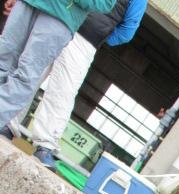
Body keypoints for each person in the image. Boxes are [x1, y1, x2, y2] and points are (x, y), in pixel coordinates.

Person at [13, 0, 147, 172]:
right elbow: (128, 31)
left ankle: (26, 133)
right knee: (50, 85)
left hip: (71, 28)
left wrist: (100, 35)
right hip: (74, 30)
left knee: (35, 76)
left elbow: (127, 31)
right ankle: (39, 144)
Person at [0, 0, 116, 134]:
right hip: (28, 3)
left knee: (25, 75)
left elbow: (105, 4)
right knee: (3, 60)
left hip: (61, 15)